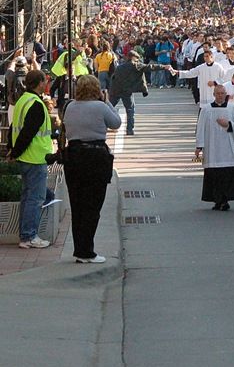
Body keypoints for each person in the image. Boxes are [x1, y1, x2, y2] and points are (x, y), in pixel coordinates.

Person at [62, 75, 121, 262]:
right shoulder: (100, 107)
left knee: (77, 204)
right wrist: (107, 102)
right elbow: (116, 123)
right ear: (96, 89)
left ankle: (80, 248)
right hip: (95, 156)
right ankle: (87, 251)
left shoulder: (70, 106)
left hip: (73, 156)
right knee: (93, 205)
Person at [8, 70, 55, 249]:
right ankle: (29, 236)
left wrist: (12, 150)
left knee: (28, 197)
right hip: (35, 157)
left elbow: (14, 127)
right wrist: (15, 151)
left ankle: (26, 235)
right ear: (39, 83)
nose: (46, 83)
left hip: (26, 157)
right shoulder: (35, 104)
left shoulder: (23, 100)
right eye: (45, 80)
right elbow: (27, 132)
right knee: (35, 199)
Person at [195, 84, 234, 210]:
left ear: (226, 94)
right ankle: (217, 200)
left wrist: (228, 124)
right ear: (213, 94)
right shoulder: (206, 109)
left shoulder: (232, 108)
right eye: (218, 93)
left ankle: (225, 200)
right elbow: (200, 128)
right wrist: (199, 146)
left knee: (227, 175)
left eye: (222, 93)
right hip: (212, 149)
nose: (220, 96)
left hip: (228, 148)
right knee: (214, 175)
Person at [109, 50, 168, 136]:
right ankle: (129, 130)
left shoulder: (120, 67)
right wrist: (164, 67)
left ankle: (102, 125)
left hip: (116, 90)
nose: (138, 61)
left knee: (108, 108)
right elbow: (150, 67)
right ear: (133, 58)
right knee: (130, 110)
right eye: (137, 59)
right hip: (127, 91)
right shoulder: (135, 65)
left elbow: (113, 78)